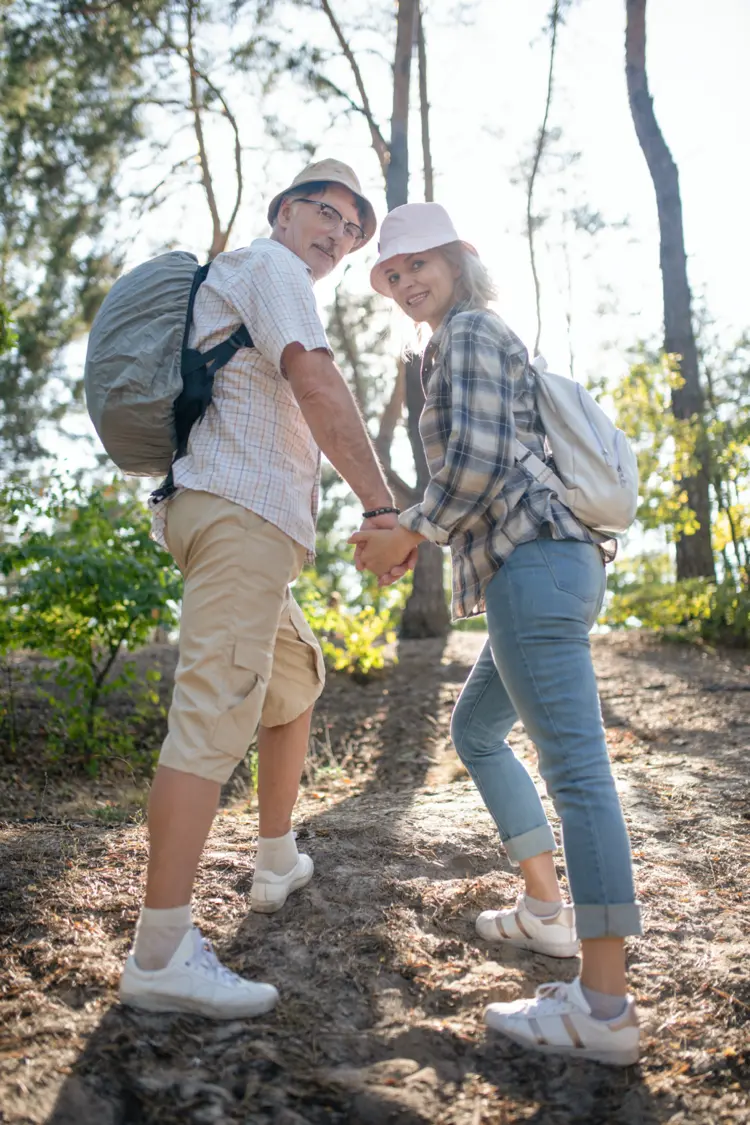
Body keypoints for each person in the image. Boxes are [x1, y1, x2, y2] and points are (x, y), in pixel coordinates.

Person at [350, 202, 642, 1067]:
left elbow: (474, 462)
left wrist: (409, 527)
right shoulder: (459, 338)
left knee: (578, 771)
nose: (405, 283)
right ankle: (547, 910)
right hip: (548, 566)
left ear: (457, 259)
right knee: (476, 731)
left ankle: (604, 1004)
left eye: (417, 265)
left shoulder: (471, 330)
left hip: (536, 564)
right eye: (391, 275)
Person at [120, 160, 405, 1020]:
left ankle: (274, 854)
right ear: (283, 213)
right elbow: (316, 382)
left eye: (353, 230)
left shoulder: (256, 274)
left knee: (293, 679)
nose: (338, 235)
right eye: (326, 212)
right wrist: (382, 504)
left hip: (241, 522)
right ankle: (161, 950)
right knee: (212, 714)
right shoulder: (272, 268)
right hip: (240, 515)